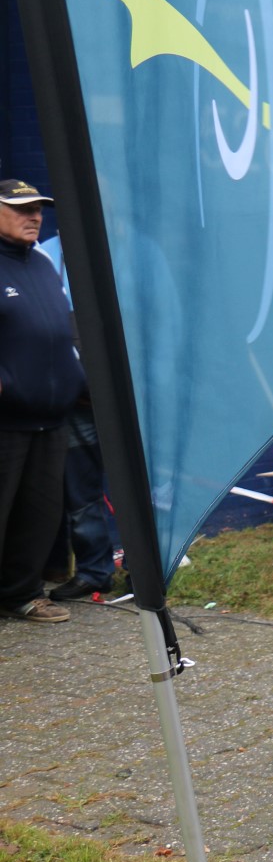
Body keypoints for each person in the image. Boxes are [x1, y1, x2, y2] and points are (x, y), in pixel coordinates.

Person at [0, 179, 84, 624]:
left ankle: (23, 594)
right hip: (6, 420)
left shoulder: (43, 262)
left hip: (51, 417)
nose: (34, 217)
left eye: (37, 209)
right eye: (21, 209)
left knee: (39, 514)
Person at [35, 236, 120, 602]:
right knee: (81, 492)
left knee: (143, 488)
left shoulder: (130, 248)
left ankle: (149, 570)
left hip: (125, 398)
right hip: (76, 399)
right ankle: (95, 572)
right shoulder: (44, 255)